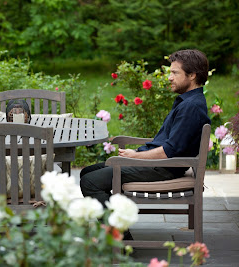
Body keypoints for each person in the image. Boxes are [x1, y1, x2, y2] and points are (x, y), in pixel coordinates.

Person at [80, 49, 211, 211]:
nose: (170, 78)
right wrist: (138, 154)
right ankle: (113, 216)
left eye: (175, 73)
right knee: (87, 172)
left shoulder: (191, 107)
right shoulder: (189, 101)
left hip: (163, 168)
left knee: (90, 181)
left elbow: (169, 151)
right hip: (159, 164)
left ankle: (119, 232)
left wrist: (136, 156)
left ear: (192, 75)